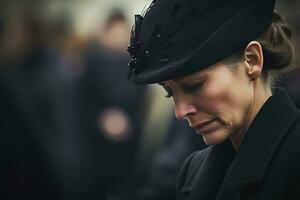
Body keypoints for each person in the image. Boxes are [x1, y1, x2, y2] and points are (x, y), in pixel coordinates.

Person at [126, 0, 300, 199]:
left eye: (195, 85)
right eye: (170, 93)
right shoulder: (193, 171)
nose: (180, 112)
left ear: (252, 60)